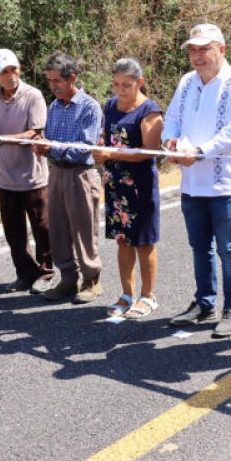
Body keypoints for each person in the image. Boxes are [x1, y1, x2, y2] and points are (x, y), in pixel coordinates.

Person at [163, 24, 231, 338]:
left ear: (222, 49)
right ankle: (204, 303)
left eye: (205, 49)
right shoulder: (187, 82)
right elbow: (172, 118)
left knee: (228, 248)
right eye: (193, 49)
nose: (197, 56)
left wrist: (200, 152)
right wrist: (170, 142)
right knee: (198, 246)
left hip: (225, 185)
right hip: (191, 182)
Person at [92, 58, 163, 319]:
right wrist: (101, 150)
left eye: (127, 85)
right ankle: (126, 294)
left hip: (140, 185)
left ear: (140, 83)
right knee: (123, 241)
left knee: (144, 242)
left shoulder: (150, 111)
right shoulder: (110, 105)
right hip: (116, 184)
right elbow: (107, 137)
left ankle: (148, 296)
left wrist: (112, 154)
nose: (120, 90)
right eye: (116, 84)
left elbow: (149, 151)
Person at [0, 49, 53, 294]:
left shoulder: (33, 95)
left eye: (14, 69)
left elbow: (35, 132)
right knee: (13, 231)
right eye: (4, 72)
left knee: (42, 227)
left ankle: (46, 273)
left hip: (33, 177)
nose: (11, 76)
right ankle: (24, 273)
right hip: (5, 176)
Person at [33, 52, 103, 304]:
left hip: (81, 174)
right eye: (49, 81)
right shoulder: (54, 106)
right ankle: (68, 278)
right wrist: (41, 145)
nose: (52, 86)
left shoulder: (89, 107)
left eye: (57, 81)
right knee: (59, 228)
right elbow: (50, 137)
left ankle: (91, 279)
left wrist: (51, 148)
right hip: (57, 173)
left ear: (71, 78)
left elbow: (84, 147)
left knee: (84, 229)